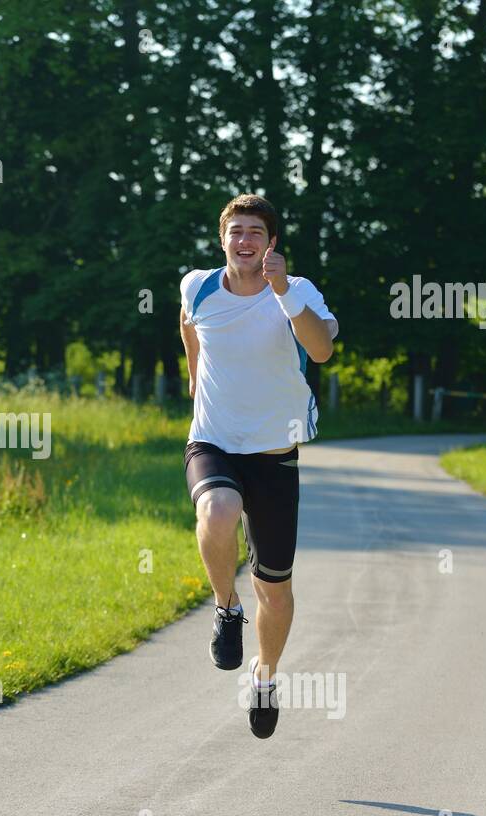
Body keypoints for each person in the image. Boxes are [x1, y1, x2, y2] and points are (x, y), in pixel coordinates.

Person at [178, 194, 338, 738]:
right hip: (213, 441)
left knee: (276, 588)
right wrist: (195, 378)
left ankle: (265, 677)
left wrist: (284, 292)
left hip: (274, 453)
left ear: (271, 243)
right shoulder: (197, 285)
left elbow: (320, 352)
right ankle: (226, 608)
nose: (244, 240)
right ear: (223, 239)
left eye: (255, 232)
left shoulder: (298, 292)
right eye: (235, 231)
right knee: (217, 511)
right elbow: (188, 325)